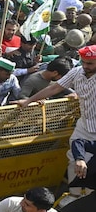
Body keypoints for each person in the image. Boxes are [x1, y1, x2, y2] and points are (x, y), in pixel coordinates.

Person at [15, 45, 96, 198]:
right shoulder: (77, 72)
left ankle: (90, 201)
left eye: (90, 63)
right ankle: (75, 195)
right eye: (83, 62)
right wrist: (28, 101)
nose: (85, 66)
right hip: (84, 125)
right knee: (74, 158)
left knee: (92, 166)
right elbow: (54, 89)